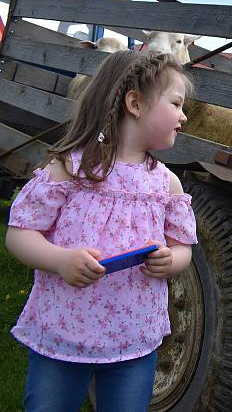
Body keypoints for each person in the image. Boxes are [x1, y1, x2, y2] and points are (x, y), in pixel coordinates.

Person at [5, 50, 198, 411]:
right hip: (63, 335)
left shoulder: (166, 185)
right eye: (176, 103)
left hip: (134, 340)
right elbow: (19, 234)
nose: (184, 115)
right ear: (135, 103)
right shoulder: (70, 169)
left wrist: (171, 261)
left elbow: (183, 247)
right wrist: (60, 259)